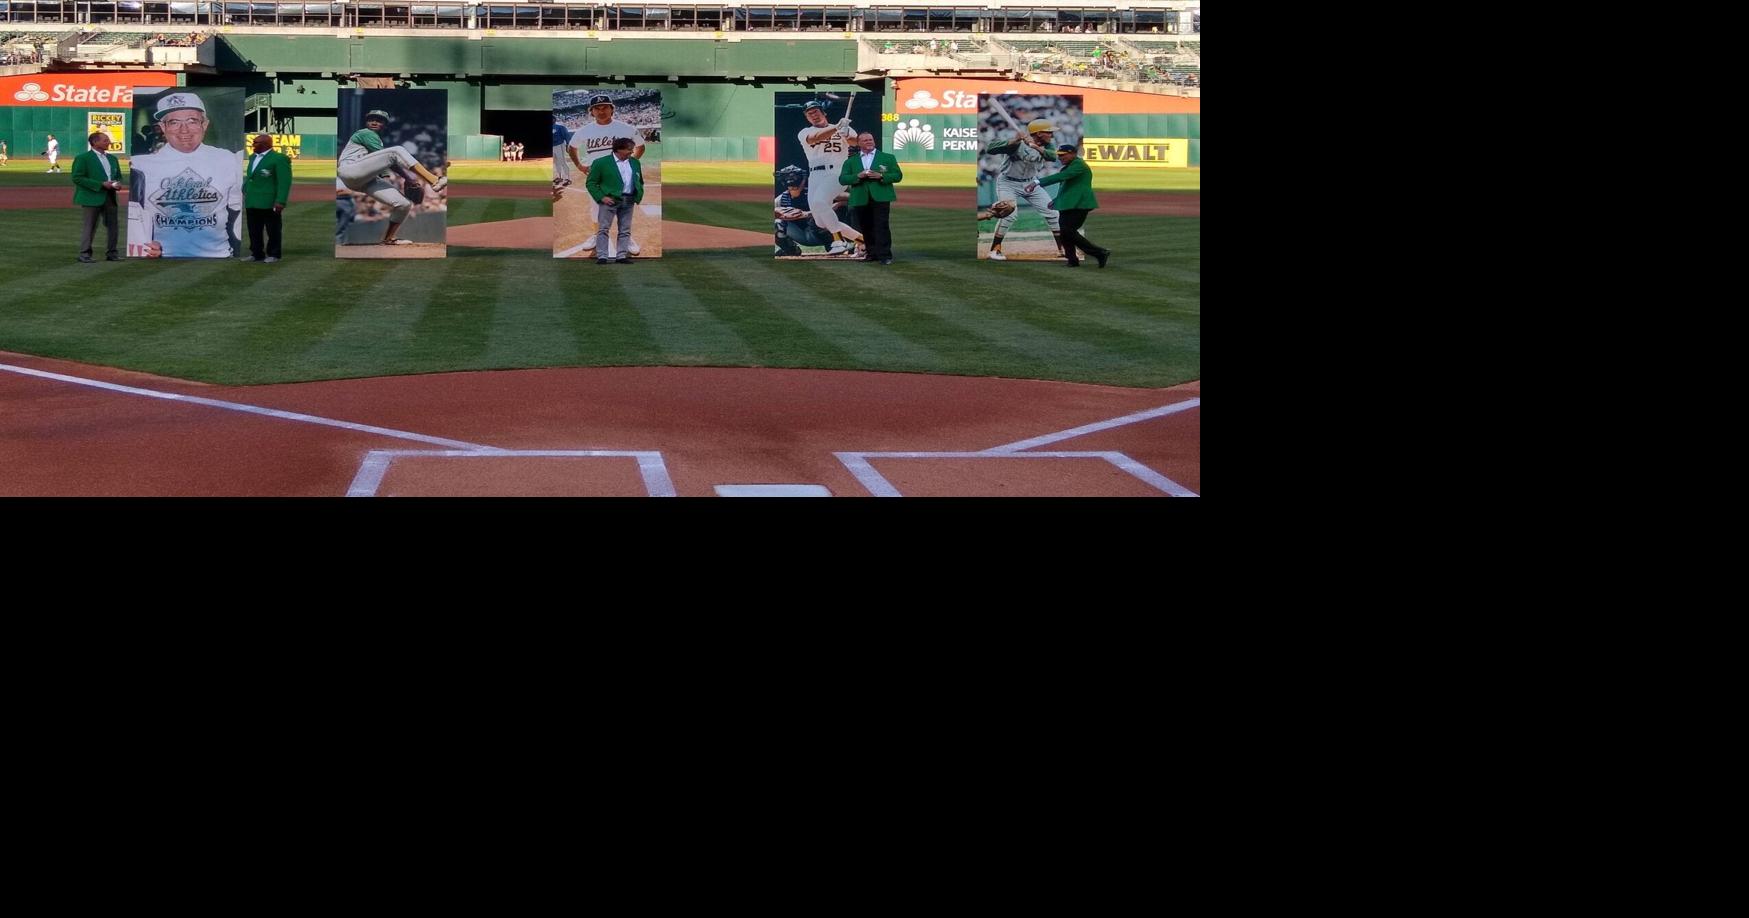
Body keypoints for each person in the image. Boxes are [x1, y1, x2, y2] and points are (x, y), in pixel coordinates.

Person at [127, 92, 242, 258]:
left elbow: (237, 211)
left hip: (218, 255)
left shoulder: (228, 159)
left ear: (205, 124)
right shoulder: (141, 165)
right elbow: (133, 219)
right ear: (163, 127)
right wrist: (141, 245)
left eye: (192, 121)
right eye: (174, 122)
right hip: (162, 257)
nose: (184, 129)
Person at [336, 108, 447, 246]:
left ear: (385, 124)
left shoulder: (377, 140)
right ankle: (434, 180)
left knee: (404, 204)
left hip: (363, 180)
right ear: (366, 122)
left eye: (379, 120)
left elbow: (384, 167)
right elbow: (391, 159)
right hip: (349, 170)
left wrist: (403, 179)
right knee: (397, 150)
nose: (374, 122)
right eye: (371, 119)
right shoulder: (365, 133)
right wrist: (409, 178)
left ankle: (388, 238)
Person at [564, 94, 646, 256]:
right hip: (597, 177)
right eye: (597, 108)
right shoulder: (584, 131)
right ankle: (596, 235)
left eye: (605, 107)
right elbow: (572, 148)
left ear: (612, 109)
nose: (601, 111)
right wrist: (580, 166)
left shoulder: (625, 128)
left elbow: (641, 146)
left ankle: (627, 237)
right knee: (596, 209)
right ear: (592, 112)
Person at [982, 117, 1063, 261]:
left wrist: (1034, 146)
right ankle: (994, 250)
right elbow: (990, 148)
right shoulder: (1016, 145)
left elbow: (1052, 157)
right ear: (1039, 134)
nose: (1052, 135)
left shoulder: (1049, 144)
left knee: (1053, 213)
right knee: (1009, 213)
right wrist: (1015, 140)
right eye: (1048, 132)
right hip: (1008, 182)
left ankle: (1062, 249)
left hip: (1030, 183)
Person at [796, 100, 865, 256]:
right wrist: (837, 128)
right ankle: (864, 242)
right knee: (821, 221)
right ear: (807, 117)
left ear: (823, 112)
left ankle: (839, 241)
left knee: (820, 202)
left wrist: (846, 135)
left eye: (816, 111)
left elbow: (858, 143)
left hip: (837, 172)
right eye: (810, 113)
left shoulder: (843, 126)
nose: (814, 115)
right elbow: (814, 138)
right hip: (815, 174)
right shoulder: (804, 131)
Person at [1037, 144, 1108, 268]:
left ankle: (1099, 252)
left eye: (1063, 155)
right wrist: (1056, 200)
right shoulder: (1070, 166)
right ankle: (1072, 260)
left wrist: (1038, 182)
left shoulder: (1079, 164)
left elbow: (1062, 177)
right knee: (1065, 233)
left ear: (1073, 153)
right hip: (1069, 203)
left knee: (1067, 231)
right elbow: (1066, 186)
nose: (1060, 158)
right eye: (1059, 155)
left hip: (1080, 203)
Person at [837, 131, 901, 265]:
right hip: (861, 197)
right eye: (865, 140)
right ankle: (872, 254)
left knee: (881, 226)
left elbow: (897, 175)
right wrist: (857, 176)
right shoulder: (851, 161)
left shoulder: (887, 157)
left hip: (881, 196)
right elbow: (842, 179)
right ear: (859, 143)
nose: (869, 142)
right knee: (866, 227)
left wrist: (882, 176)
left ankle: (885, 255)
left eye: (870, 139)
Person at [772, 164, 855, 256]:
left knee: (819, 218)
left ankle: (837, 244)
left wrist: (835, 205)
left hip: (821, 231)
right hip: (801, 234)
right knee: (777, 223)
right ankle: (790, 249)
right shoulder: (781, 199)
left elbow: (851, 198)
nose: (793, 186)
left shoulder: (814, 194)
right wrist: (781, 214)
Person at [585, 136, 642, 265]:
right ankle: (602, 256)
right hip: (609, 200)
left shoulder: (635, 162)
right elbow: (591, 183)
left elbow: (639, 180)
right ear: (619, 149)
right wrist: (601, 197)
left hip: (628, 199)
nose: (632, 152)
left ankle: (621, 256)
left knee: (625, 230)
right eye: (629, 149)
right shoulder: (601, 162)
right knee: (603, 229)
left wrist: (637, 194)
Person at [71, 131, 123, 263]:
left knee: (113, 226)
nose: (109, 142)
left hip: (110, 196)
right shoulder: (83, 158)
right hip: (91, 197)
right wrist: (100, 184)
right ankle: (85, 254)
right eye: (105, 140)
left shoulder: (112, 159)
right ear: (95, 142)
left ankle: (112, 253)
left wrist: (117, 183)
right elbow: (77, 178)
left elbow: (117, 176)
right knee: (90, 226)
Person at [243, 133, 292, 262]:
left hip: (269, 201)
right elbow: (251, 177)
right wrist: (245, 189)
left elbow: (284, 181)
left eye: (255, 143)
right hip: (252, 199)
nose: (252, 145)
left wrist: (281, 200)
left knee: (273, 229)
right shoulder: (253, 157)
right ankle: (256, 253)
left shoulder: (279, 158)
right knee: (254, 229)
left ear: (265, 144)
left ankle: (274, 254)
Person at [551, 114, 573, 192]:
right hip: (552, 147)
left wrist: (567, 145)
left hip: (559, 145)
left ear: (553, 119)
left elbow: (567, 136)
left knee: (562, 161)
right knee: (556, 162)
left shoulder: (560, 127)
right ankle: (559, 177)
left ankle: (568, 178)